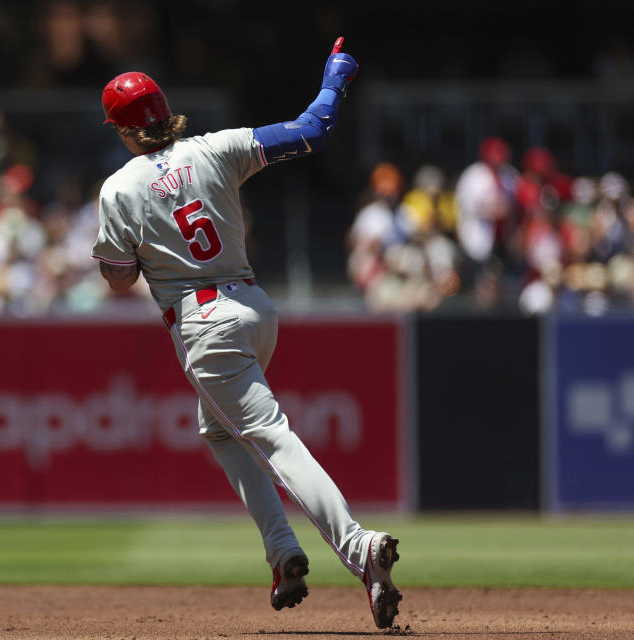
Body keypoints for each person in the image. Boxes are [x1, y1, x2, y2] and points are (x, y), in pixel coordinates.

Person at [90, 38, 402, 630]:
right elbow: (313, 129)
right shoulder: (217, 147)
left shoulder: (118, 188)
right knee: (222, 433)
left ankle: (359, 547)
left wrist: (130, 251)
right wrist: (335, 77)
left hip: (203, 323)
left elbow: (117, 280)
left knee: (273, 440)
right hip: (255, 309)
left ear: (121, 129)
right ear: (164, 109)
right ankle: (283, 553)